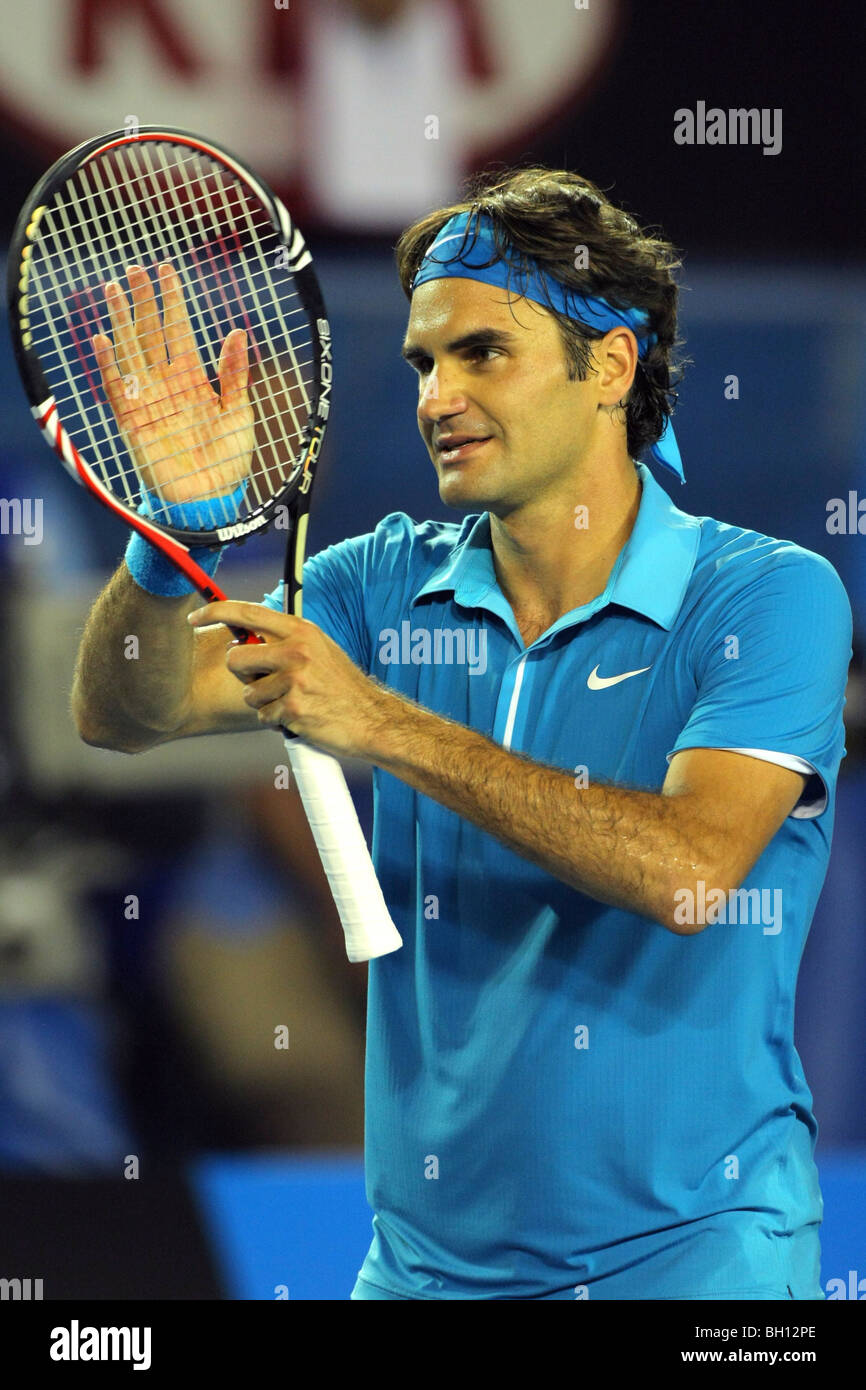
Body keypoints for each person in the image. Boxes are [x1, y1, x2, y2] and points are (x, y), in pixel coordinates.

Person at [72, 167, 853, 1301]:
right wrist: (162, 541)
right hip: (421, 1273)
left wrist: (380, 720)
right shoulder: (380, 583)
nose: (437, 394)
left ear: (611, 365)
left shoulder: (766, 597)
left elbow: (688, 873)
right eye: (424, 362)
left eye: (482, 352)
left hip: (695, 1265)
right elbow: (121, 710)